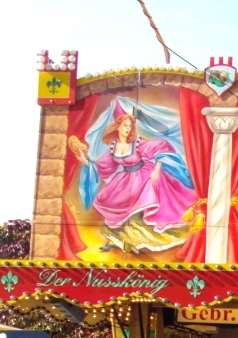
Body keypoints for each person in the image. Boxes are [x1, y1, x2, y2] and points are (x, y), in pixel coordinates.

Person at [71, 104, 195, 254]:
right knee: (108, 200)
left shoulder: (137, 144)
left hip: (144, 174)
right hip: (126, 178)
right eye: (125, 125)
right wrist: (84, 160)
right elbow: (103, 167)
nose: (128, 128)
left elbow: (161, 147)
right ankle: (119, 240)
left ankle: (140, 240)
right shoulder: (113, 147)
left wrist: (157, 169)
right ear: (118, 126)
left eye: (130, 125)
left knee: (143, 201)